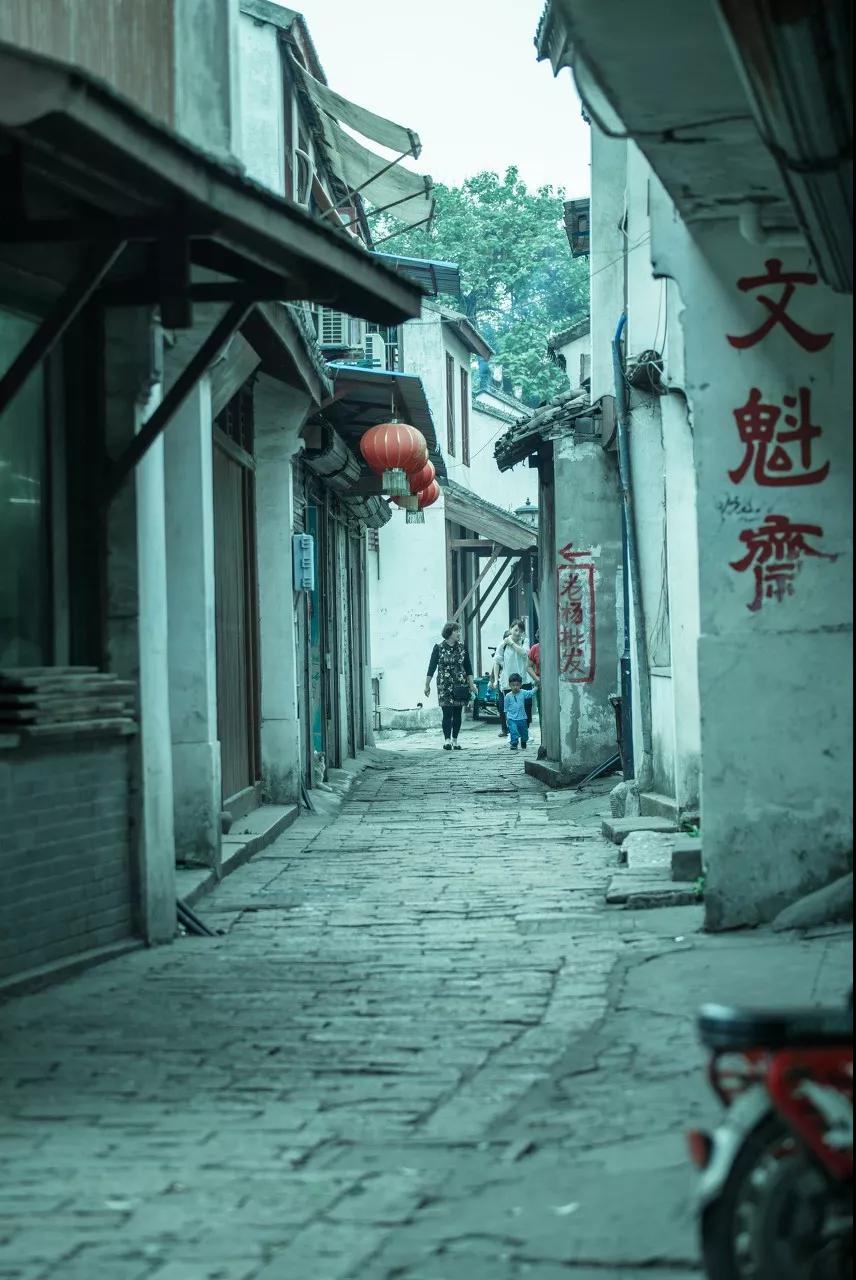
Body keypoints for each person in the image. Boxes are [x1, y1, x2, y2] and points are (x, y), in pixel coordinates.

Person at [424, 622, 477, 751]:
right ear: (449, 632)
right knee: (447, 712)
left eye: (459, 631)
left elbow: (468, 668)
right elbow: (431, 668)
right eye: (456, 631)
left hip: (460, 685)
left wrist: (471, 684)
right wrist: (427, 685)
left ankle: (455, 740)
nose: (459, 633)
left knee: (457, 713)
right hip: (444, 685)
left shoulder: (462, 648)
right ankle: (447, 740)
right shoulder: (438, 648)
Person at [491, 619, 537, 737]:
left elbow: (525, 653)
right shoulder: (503, 645)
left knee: (526, 706)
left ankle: (524, 730)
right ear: (511, 629)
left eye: (520, 631)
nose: (517, 633)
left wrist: (511, 643)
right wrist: (495, 680)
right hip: (508, 682)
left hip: (524, 680)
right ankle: (511, 731)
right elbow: (496, 662)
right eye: (515, 630)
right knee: (508, 708)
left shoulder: (524, 641)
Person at [504, 673, 538, 751]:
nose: (515, 687)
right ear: (509, 685)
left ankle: (523, 741)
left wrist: (536, 687)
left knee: (524, 733)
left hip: (522, 718)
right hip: (511, 718)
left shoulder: (523, 693)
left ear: (521, 685)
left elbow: (530, 693)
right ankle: (514, 743)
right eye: (513, 685)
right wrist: (507, 719)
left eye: (517, 685)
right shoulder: (508, 696)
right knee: (513, 731)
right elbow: (505, 709)